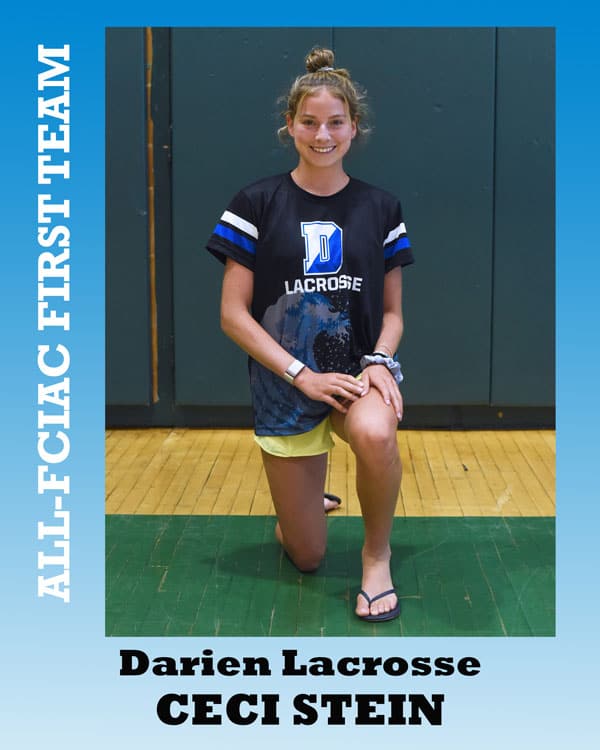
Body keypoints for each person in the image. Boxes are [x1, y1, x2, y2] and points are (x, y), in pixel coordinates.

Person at [206, 47, 414, 622]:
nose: (323, 135)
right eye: (309, 122)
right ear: (290, 126)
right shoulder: (256, 202)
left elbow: (393, 314)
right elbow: (233, 315)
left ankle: (376, 558)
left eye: (336, 122)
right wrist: (302, 375)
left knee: (376, 431)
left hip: (353, 377)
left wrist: (379, 360)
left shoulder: (381, 207)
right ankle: (299, 508)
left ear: (354, 128)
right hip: (286, 386)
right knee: (307, 556)